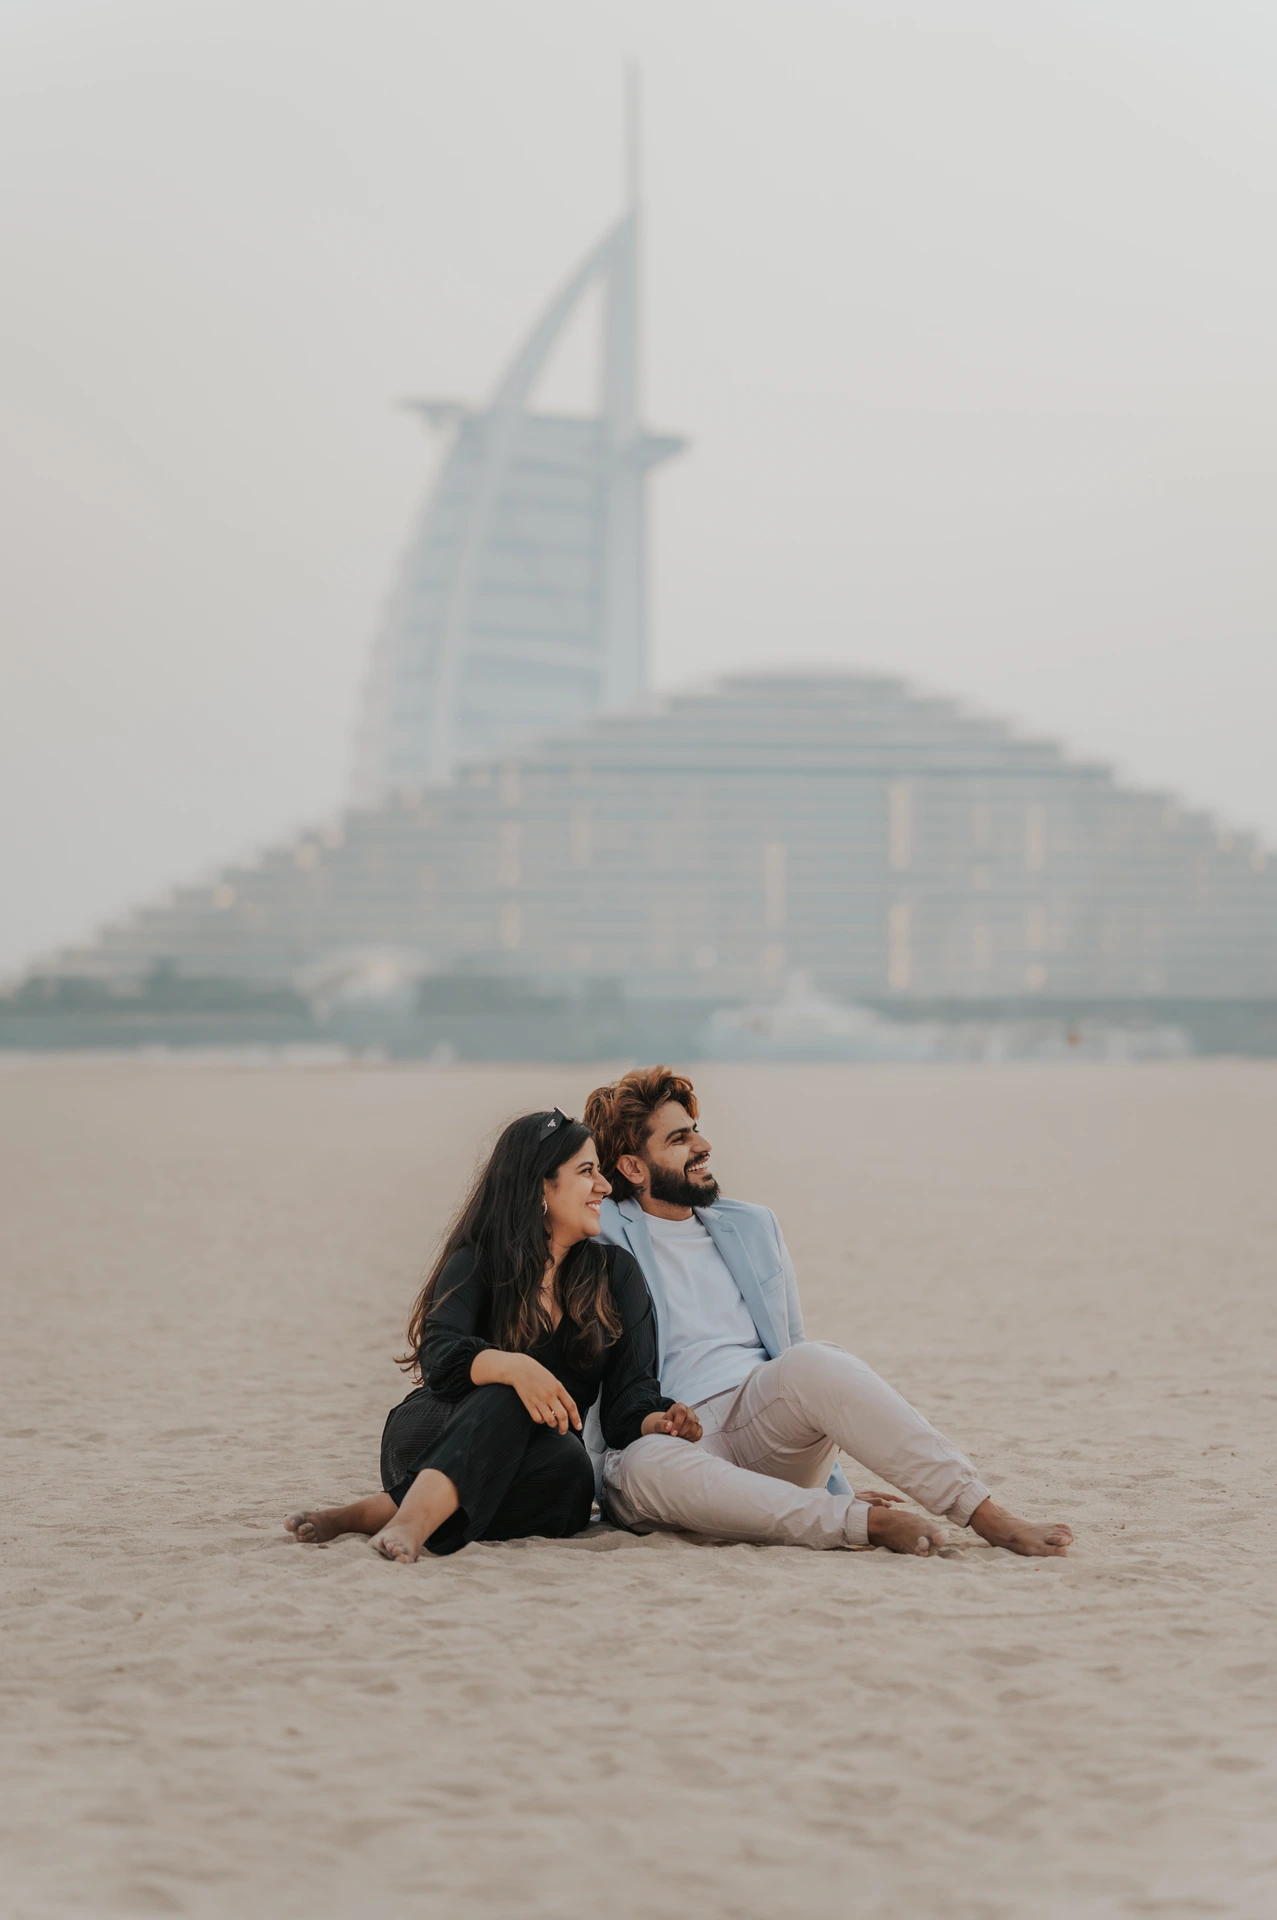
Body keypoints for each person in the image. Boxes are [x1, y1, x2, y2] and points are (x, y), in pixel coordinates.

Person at [582, 1067, 1074, 1559]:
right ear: (632, 1168)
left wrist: (834, 1482)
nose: (703, 1144)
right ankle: (863, 1524)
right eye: (680, 1138)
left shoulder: (753, 1226)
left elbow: (792, 1352)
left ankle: (985, 1512)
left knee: (815, 1360)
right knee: (642, 1468)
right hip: (667, 1439)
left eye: (696, 1128)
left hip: (766, 1422)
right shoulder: (598, 1232)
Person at [285, 1108, 702, 1564]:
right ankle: (412, 1523)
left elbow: (629, 1404)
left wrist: (660, 1422)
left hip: (542, 1463)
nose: (604, 1186)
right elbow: (439, 1357)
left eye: (600, 1172)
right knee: (509, 1395)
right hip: (435, 1431)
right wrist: (514, 1367)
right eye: (587, 1171)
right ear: (541, 1186)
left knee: (571, 1475)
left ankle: (371, 1512)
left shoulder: (616, 1275)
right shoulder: (479, 1261)